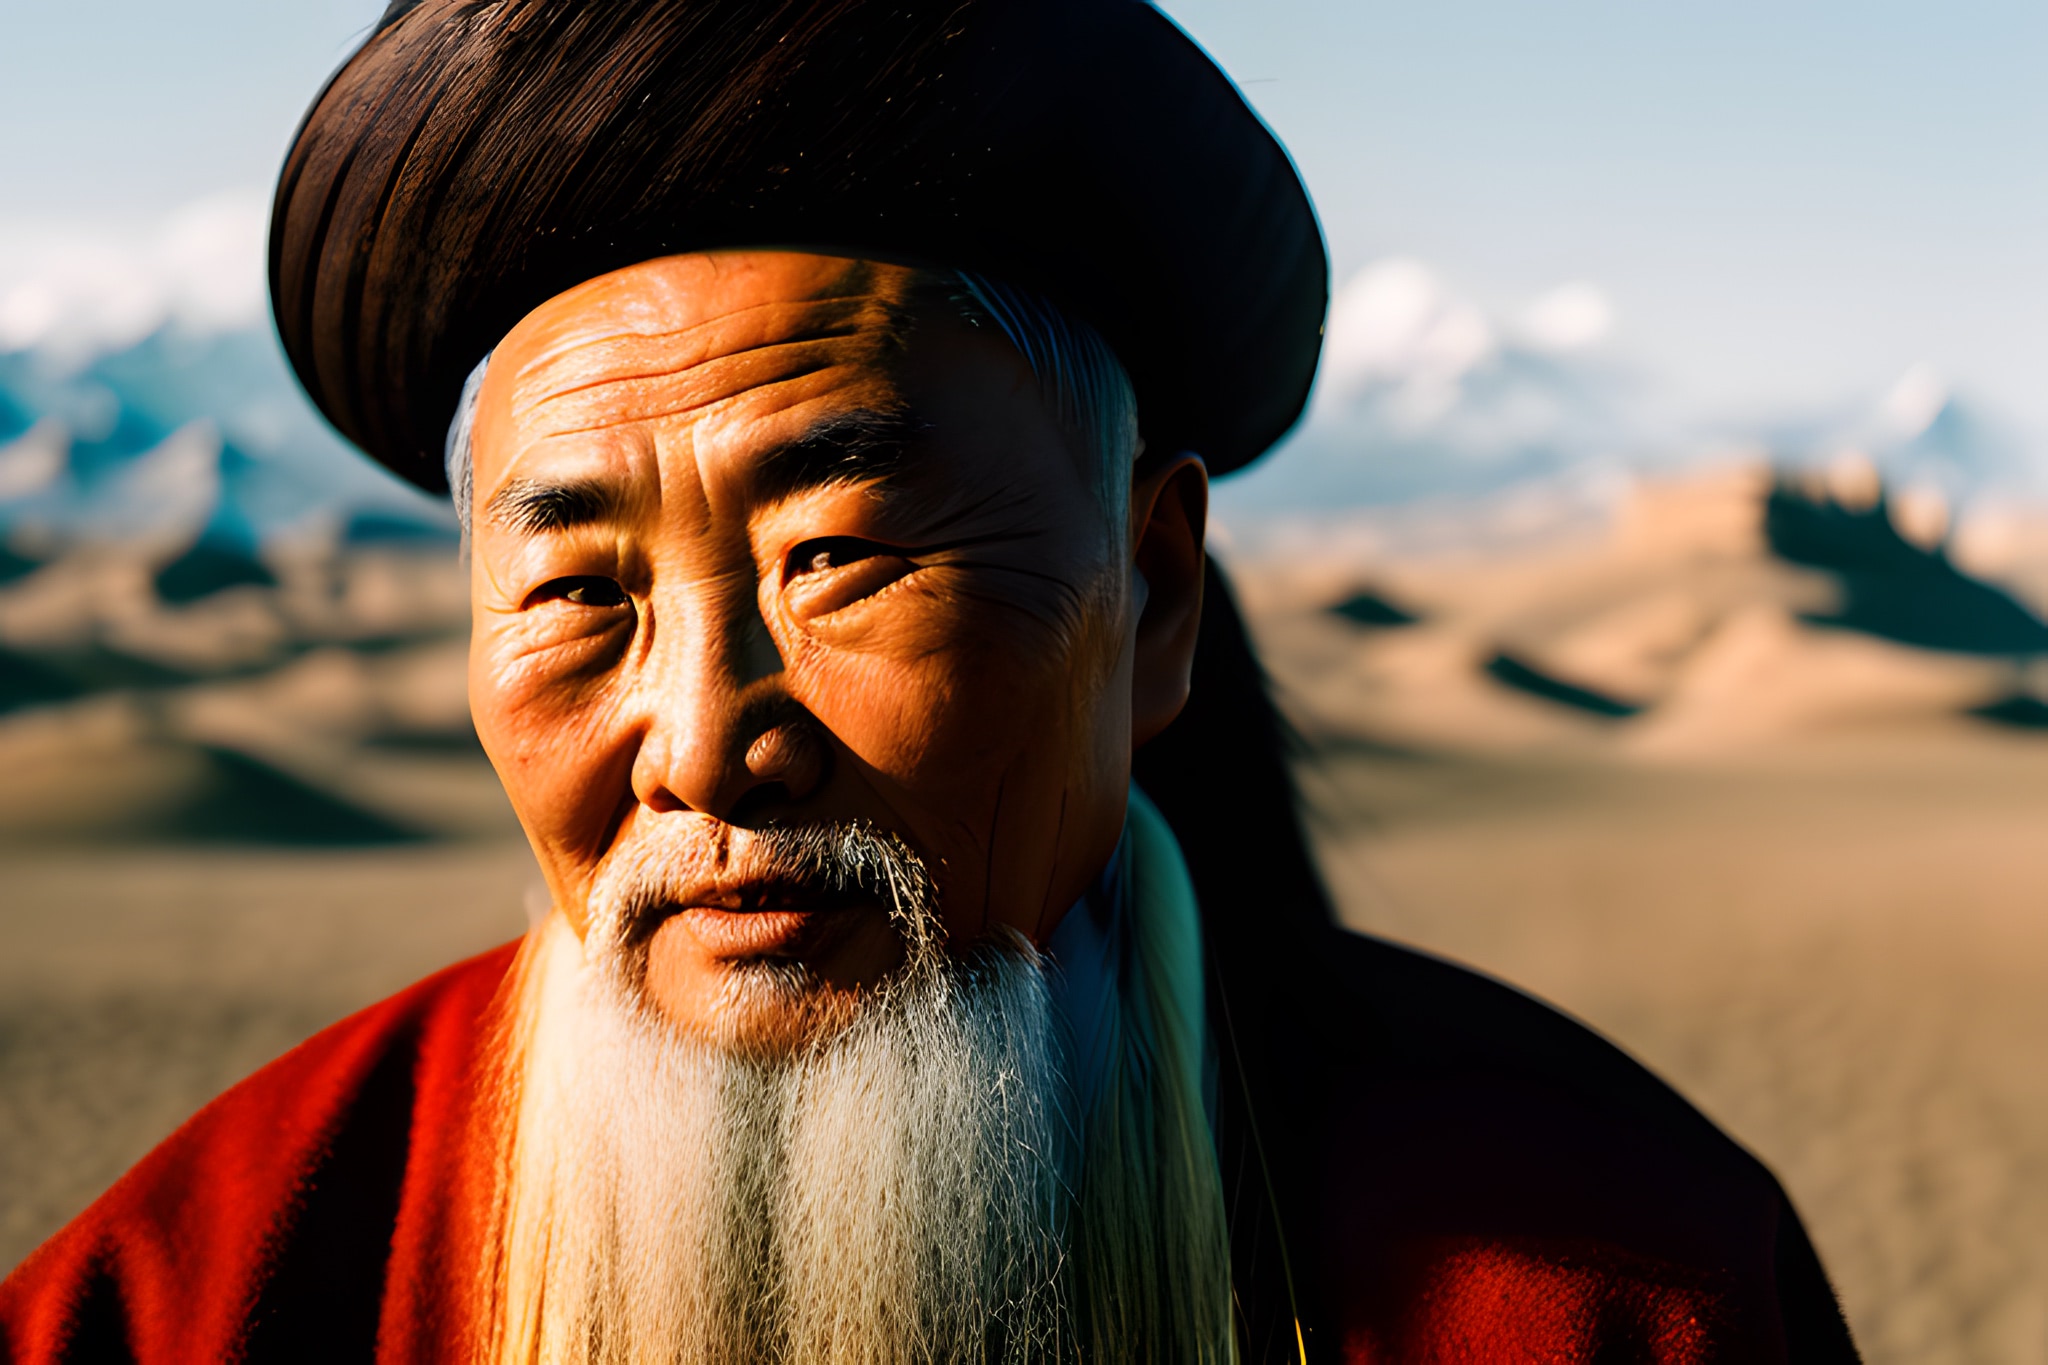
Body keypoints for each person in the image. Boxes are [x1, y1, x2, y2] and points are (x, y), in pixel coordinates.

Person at [1, 0, 1861, 1360]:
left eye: (839, 558)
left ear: (1150, 593)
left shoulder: (1606, 1284)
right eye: (576, 592)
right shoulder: (196, 1294)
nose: (705, 739)